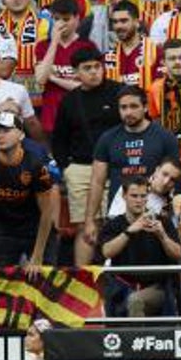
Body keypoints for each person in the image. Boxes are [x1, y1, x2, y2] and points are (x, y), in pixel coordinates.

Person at [82, 85, 181, 247]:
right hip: (118, 214)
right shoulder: (107, 138)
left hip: (155, 215)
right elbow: (97, 182)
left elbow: (176, 178)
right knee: (118, 267)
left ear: (146, 107)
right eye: (123, 107)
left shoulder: (165, 137)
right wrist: (89, 220)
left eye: (134, 106)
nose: (128, 112)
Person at [52, 45, 120, 260]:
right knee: (84, 227)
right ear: (76, 72)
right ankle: (82, 282)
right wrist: (66, 168)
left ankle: (116, 283)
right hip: (80, 168)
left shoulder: (119, 92)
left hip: (113, 168)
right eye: (87, 68)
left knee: (114, 224)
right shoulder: (70, 100)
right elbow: (59, 138)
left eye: (98, 66)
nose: (94, 72)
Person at [0, 112, 56, 269]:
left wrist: (37, 255)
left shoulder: (35, 164)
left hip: (35, 228)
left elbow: (47, 212)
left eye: (6, 131)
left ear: (21, 135)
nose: (0, 136)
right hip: (4, 228)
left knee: (44, 282)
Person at [98, 176, 181, 317]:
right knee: (119, 298)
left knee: (135, 300)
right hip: (121, 287)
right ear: (124, 196)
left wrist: (162, 235)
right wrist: (129, 232)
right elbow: (106, 252)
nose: (139, 200)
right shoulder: (114, 224)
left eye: (143, 196)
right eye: (134, 196)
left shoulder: (162, 221)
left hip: (157, 288)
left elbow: (178, 254)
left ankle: (137, 339)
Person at [32, 0, 96, 137]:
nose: (60, 24)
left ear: (77, 19)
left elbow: (88, 86)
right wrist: (54, 42)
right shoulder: (43, 46)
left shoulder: (88, 47)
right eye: (56, 19)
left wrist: (55, 79)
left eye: (66, 19)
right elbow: (41, 79)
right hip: (51, 120)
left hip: (81, 118)